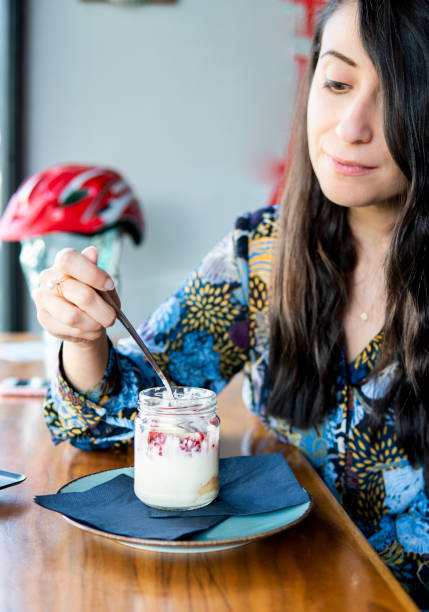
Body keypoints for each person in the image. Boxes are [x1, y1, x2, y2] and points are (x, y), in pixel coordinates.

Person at [34, 0, 429, 607]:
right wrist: (83, 339)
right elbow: (107, 421)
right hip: (275, 592)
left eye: (397, 92)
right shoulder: (261, 255)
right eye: (338, 82)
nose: (351, 125)